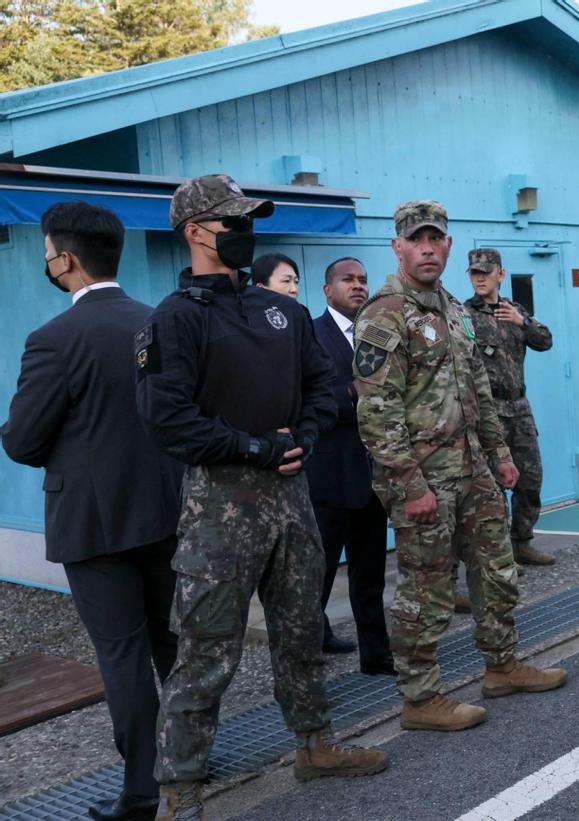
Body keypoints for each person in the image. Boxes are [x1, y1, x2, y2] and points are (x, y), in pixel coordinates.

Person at [136, 174, 388, 818]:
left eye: (249, 222)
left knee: (301, 631)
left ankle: (314, 745)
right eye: (233, 222)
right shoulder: (174, 318)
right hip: (220, 508)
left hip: (291, 499)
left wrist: (300, 437)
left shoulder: (283, 313)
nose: (245, 234)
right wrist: (256, 448)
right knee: (206, 649)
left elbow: (321, 387)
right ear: (196, 232)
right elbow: (168, 420)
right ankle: (181, 788)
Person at [353, 200, 566, 733]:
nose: (427, 248)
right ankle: (421, 698)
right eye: (415, 239)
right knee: (426, 589)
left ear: (448, 245)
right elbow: (376, 412)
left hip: (475, 469)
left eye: (436, 239)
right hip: (424, 478)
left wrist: (499, 455)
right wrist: (408, 482)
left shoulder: (453, 309)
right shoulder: (384, 313)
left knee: (496, 569)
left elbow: (478, 392)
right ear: (397, 246)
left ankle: (502, 665)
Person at [2, 202, 185, 821]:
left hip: (94, 524)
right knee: (171, 643)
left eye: (49, 251)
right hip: (166, 509)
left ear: (66, 259)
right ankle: (192, 761)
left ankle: (139, 794)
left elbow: (23, 441)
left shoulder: (53, 339)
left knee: (123, 654)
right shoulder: (158, 323)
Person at [308, 256, 394, 671]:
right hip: (330, 478)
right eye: (347, 280)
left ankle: (376, 657)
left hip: (374, 476)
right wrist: (355, 393)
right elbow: (310, 400)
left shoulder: (376, 336)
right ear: (328, 289)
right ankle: (307, 664)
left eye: (362, 279)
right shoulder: (311, 334)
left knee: (370, 575)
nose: (357, 286)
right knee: (317, 579)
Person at [463, 248, 556, 567]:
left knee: (531, 478)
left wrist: (523, 321)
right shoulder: (463, 315)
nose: (479, 278)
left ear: (500, 275)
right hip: (487, 412)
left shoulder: (514, 311)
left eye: (485, 272)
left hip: (519, 407)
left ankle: (522, 542)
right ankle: (500, 555)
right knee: (492, 487)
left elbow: (545, 341)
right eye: (474, 273)